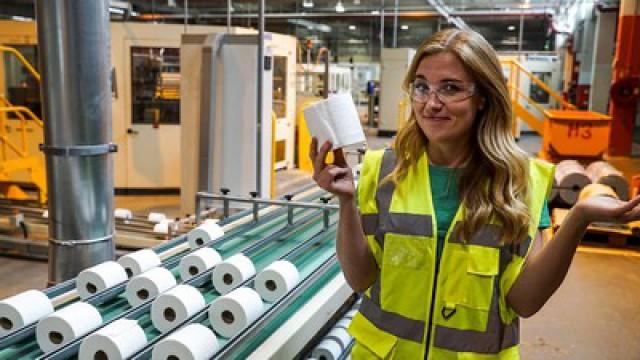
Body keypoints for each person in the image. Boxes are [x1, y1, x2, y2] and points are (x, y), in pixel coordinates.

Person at [309, 28, 640, 360]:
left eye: (450, 88)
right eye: (422, 87)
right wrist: (346, 201)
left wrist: (578, 219)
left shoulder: (521, 181)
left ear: (484, 97)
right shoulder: (382, 171)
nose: (431, 103)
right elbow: (361, 278)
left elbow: (524, 301)